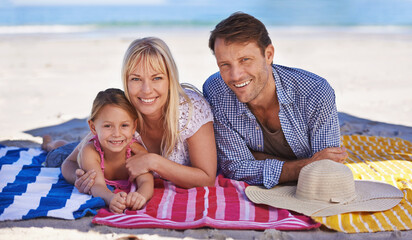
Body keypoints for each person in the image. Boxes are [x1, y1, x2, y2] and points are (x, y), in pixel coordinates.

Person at [202, 12, 348, 189]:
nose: (235, 75)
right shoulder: (216, 90)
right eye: (224, 65)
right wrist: (304, 165)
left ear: (269, 54)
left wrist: (257, 158)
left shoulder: (315, 92)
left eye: (245, 60)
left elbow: (326, 170)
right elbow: (234, 167)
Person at [59, 37, 217, 193]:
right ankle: (52, 144)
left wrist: (153, 161)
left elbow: (207, 178)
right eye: (136, 79)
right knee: (58, 154)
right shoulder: (124, 110)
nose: (146, 90)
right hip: (101, 157)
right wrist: (80, 178)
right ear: (126, 81)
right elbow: (69, 162)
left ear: (170, 80)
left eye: (157, 78)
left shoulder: (191, 109)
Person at [78, 88, 153, 213]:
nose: (117, 134)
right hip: (68, 155)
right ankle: (50, 144)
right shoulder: (91, 152)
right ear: (93, 127)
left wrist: (141, 195)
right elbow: (97, 185)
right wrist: (110, 197)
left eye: (124, 125)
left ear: (134, 126)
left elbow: (146, 180)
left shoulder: (136, 152)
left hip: (98, 142)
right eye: (108, 126)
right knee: (55, 152)